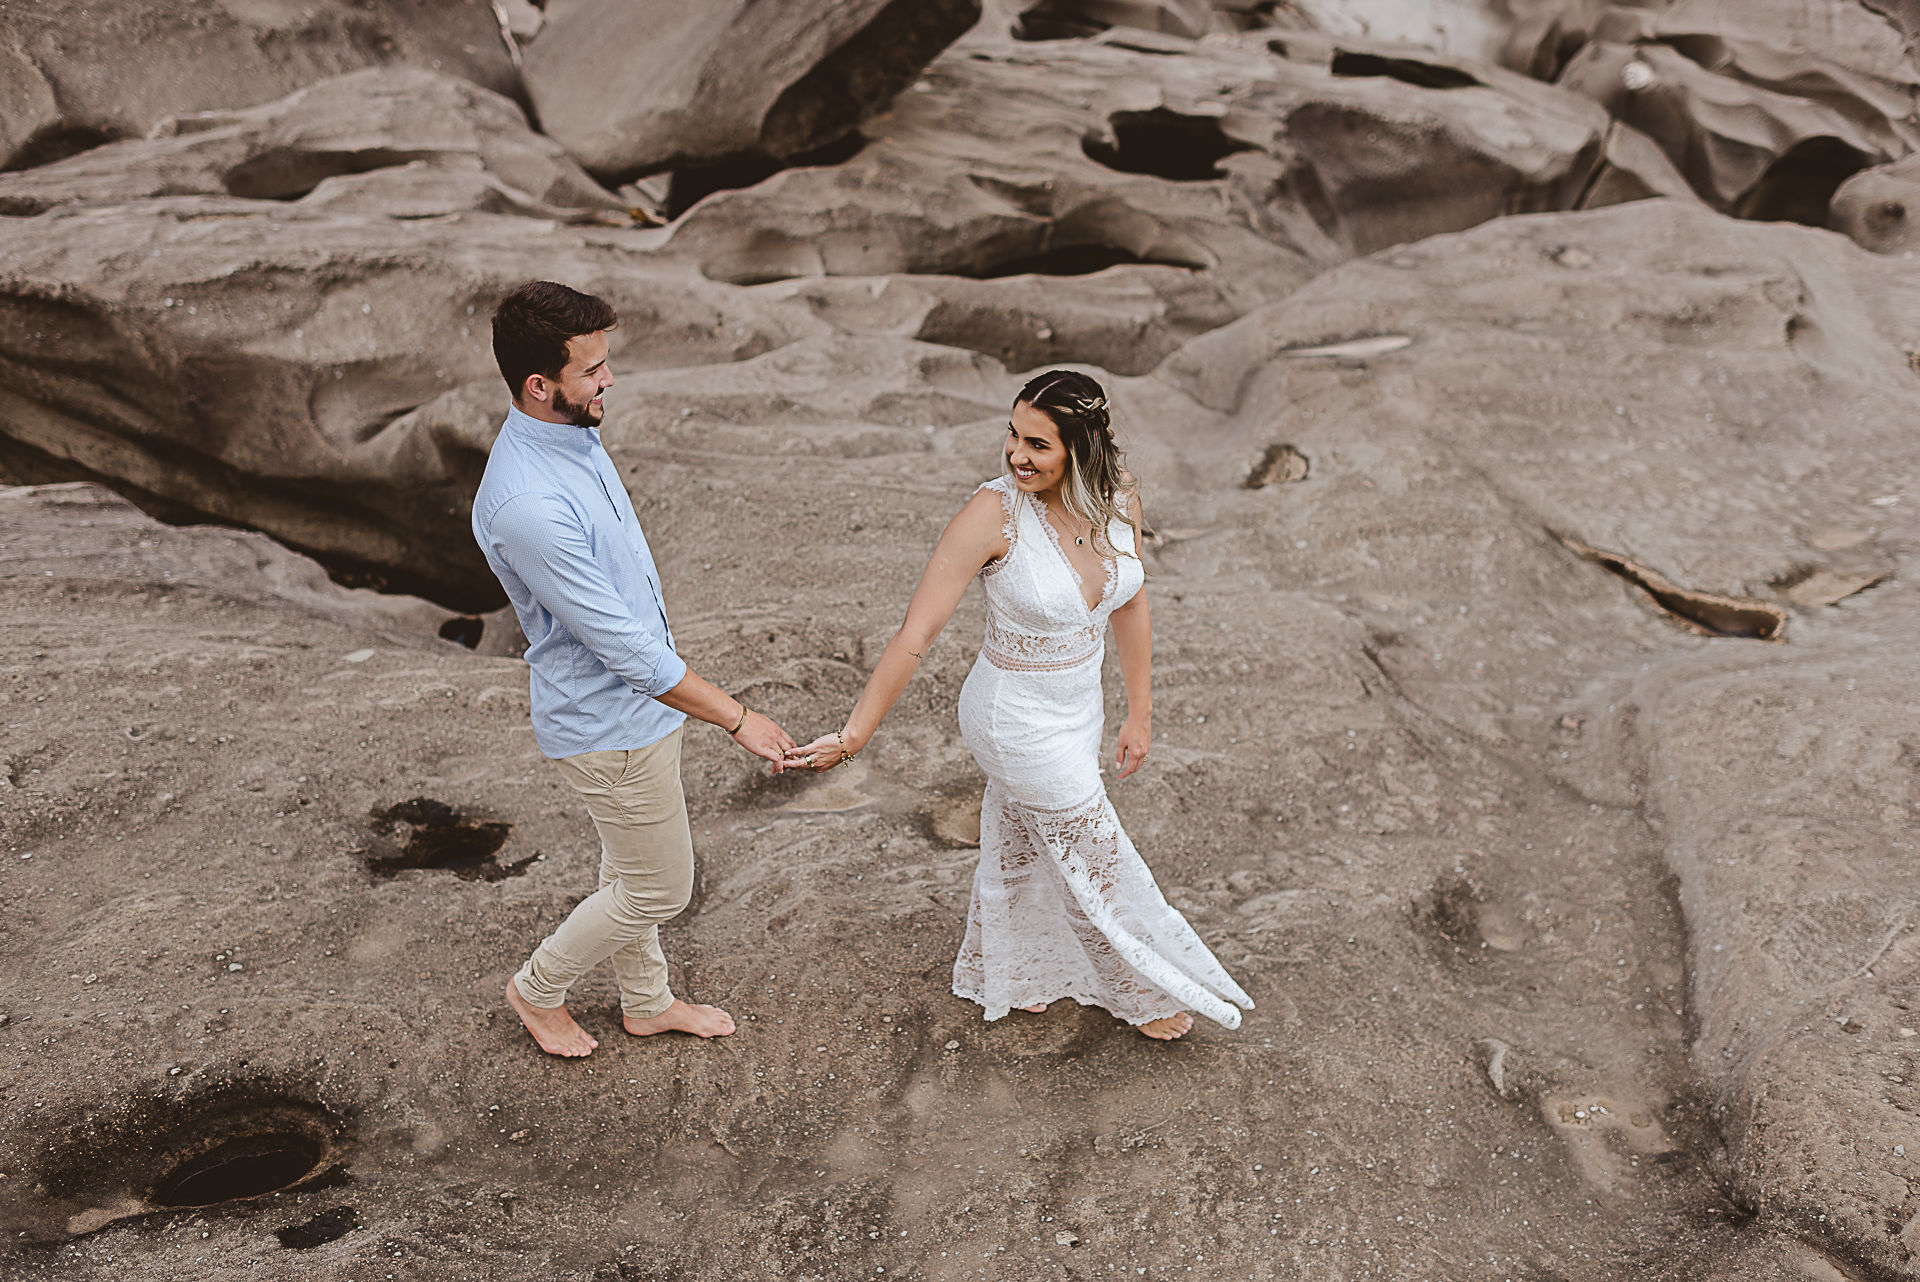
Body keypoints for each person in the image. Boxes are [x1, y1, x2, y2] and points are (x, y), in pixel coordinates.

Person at [785, 370, 1252, 1039]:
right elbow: (916, 634)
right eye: (1012, 434)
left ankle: (1013, 972)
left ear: (1083, 447)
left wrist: (1139, 710)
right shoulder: (991, 514)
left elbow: (1131, 598)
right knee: (1095, 854)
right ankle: (1142, 992)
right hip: (1012, 720)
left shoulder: (1119, 497)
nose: (1015, 454)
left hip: (1078, 709)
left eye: (1038, 443)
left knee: (1022, 841)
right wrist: (853, 734)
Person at [473, 280, 794, 1058]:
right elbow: (622, 649)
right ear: (538, 386)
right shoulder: (527, 502)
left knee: (630, 870)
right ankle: (537, 989)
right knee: (659, 887)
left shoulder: (572, 435)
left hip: (640, 713)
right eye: (592, 370)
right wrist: (740, 719)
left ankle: (647, 1004)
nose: (608, 380)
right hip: (608, 723)